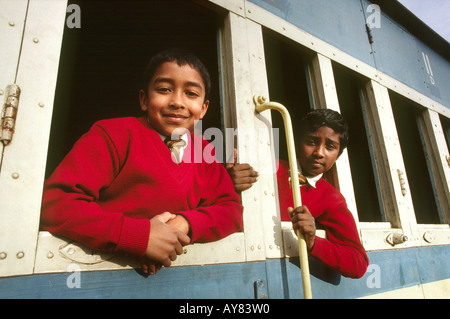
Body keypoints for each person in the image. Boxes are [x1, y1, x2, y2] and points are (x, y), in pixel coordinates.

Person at [41, 49, 243, 275]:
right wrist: (139, 236)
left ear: (204, 108)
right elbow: (55, 204)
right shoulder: (112, 135)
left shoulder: (205, 151)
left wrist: (183, 223)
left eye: (191, 94)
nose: (177, 102)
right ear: (144, 100)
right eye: (164, 90)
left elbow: (231, 211)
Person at [226, 109, 369, 278]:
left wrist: (313, 241)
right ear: (296, 142)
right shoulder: (268, 166)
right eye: (311, 141)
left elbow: (358, 263)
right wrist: (226, 182)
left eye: (330, 146)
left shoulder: (332, 198)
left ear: (338, 154)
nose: (319, 152)